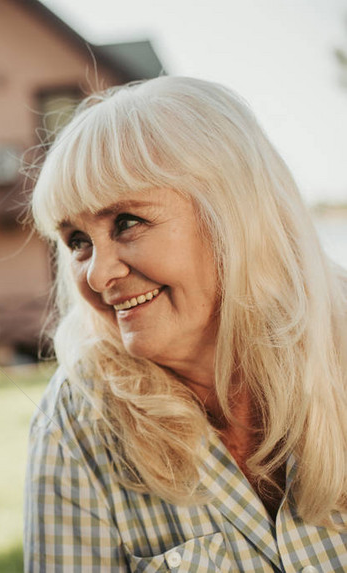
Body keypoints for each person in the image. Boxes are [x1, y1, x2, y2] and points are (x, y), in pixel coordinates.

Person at [25, 76, 347, 571]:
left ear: (234, 215)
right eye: (76, 241)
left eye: (127, 221)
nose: (97, 272)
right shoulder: (80, 417)